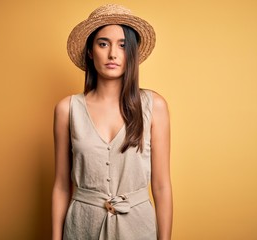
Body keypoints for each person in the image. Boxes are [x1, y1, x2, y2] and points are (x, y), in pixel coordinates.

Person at [52, 4, 172, 240]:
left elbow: (161, 186)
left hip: (138, 229)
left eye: (123, 45)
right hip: (81, 227)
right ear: (90, 51)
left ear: (133, 52)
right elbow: (61, 186)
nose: (113, 54)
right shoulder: (67, 109)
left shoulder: (154, 106)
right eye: (103, 43)